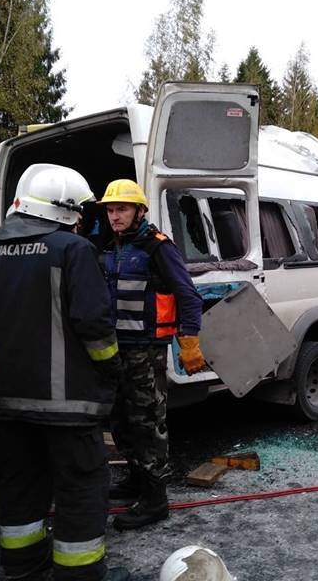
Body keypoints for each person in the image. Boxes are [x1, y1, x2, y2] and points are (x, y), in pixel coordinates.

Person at [0, 164, 129, 580]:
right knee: (80, 487)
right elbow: (94, 325)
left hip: (11, 402)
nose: (83, 218)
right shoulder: (73, 250)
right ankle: (78, 572)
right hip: (69, 405)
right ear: (63, 208)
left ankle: (22, 564)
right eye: (79, 210)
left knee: (21, 487)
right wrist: (111, 370)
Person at [97, 179, 205, 530]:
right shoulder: (107, 248)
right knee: (121, 421)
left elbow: (188, 296)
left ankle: (155, 499)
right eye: (111, 210)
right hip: (115, 351)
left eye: (122, 209)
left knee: (147, 424)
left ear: (139, 211)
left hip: (146, 351)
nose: (115, 216)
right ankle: (134, 480)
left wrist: (189, 341)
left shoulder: (158, 248)